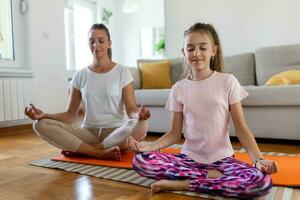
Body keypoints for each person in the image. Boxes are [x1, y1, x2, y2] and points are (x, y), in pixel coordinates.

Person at [128, 22, 278, 198]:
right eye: (190, 48)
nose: (196, 53)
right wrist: (150, 146)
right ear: (184, 52)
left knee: (260, 181)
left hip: (223, 161)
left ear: (213, 51)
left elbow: (241, 128)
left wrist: (259, 160)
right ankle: (211, 178)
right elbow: (174, 133)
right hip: (188, 160)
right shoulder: (178, 88)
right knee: (141, 161)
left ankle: (187, 184)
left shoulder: (228, 82)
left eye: (202, 48)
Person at [25, 23, 150, 161]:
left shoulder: (122, 72)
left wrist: (139, 115)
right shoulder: (80, 75)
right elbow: (70, 115)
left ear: (109, 43)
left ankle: (87, 149)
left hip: (117, 131)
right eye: (92, 41)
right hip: (89, 132)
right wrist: (44, 115)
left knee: (136, 126)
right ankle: (96, 152)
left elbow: (131, 109)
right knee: (39, 124)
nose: (96, 45)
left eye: (101, 41)